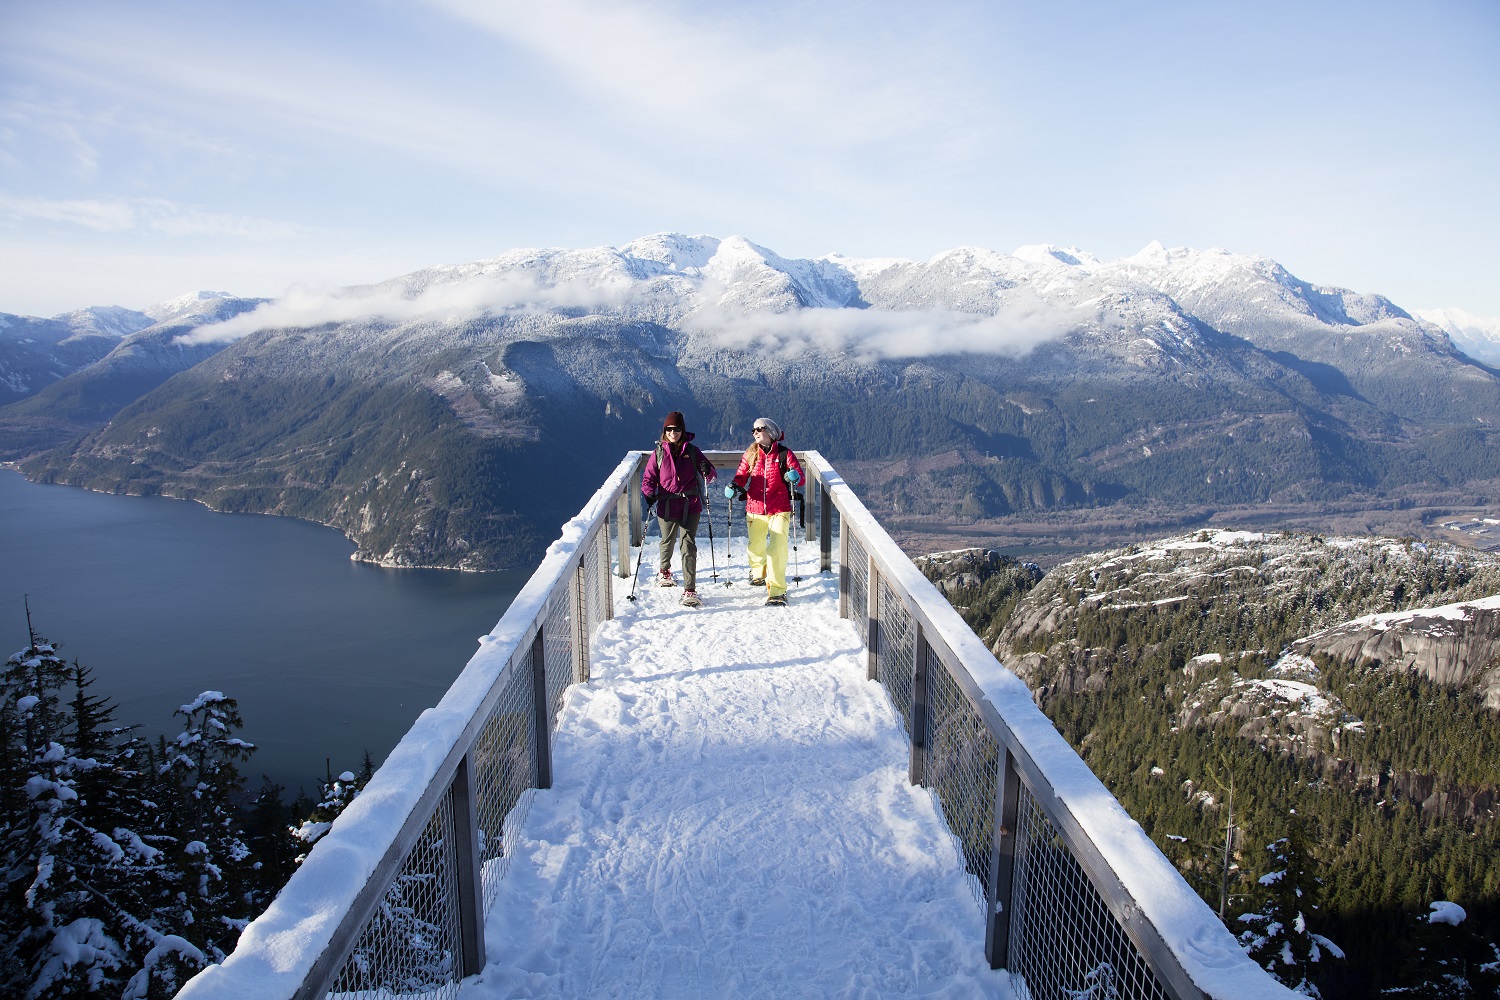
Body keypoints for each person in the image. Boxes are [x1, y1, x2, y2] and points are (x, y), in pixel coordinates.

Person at [725, 417, 804, 607]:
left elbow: (800, 478)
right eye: (753, 430)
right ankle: (758, 572)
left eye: (759, 429)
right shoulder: (751, 453)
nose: (755, 433)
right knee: (756, 545)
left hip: (780, 508)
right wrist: (735, 485)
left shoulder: (785, 454)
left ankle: (777, 590)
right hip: (755, 506)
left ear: (770, 431)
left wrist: (794, 477)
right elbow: (742, 474)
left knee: (777, 547)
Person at [641, 411, 717, 607]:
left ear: (682, 431)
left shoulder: (692, 451)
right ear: (664, 431)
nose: (673, 432)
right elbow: (649, 477)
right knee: (667, 540)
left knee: (688, 545)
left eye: (676, 429)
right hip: (667, 504)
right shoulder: (658, 453)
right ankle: (664, 571)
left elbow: (710, 473)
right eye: (669, 429)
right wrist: (648, 492)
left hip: (690, 505)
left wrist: (707, 471)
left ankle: (689, 589)